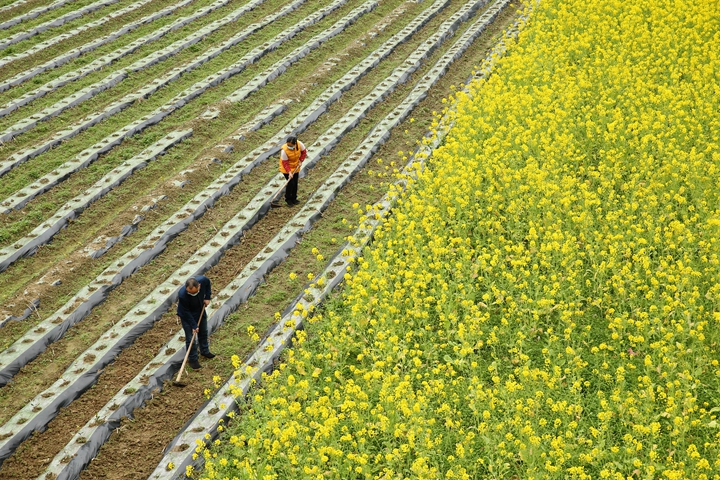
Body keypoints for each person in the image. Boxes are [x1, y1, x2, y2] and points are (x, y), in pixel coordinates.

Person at [177, 276, 215, 370]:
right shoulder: (182, 295)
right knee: (190, 339)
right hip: (187, 316)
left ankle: (204, 351)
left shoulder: (203, 280)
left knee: (203, 332)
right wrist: (194, 325)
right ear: (186, 289)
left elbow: (208, 284)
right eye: (190, 293)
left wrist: (207, 297)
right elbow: (186, 312)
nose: (192, 294)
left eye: (194, 292)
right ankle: (193, 359)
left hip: (199, 310)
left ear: (199, 286)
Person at [278, 135, 307, 206]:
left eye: (290, 145)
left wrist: (301, 161)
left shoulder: (300, 144)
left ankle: (294, 198)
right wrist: (289, 172)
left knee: (295, 183)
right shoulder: (284, 150)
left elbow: (304, 152)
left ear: (295, 144)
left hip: (295, 166)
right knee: (291, 183)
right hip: (286, 168)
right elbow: (285, 163)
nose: (289, 146)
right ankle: (288, 199)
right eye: (288, 145)